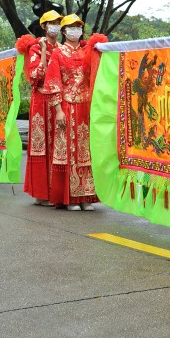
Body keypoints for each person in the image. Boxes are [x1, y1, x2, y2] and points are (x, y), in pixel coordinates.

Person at [42, 14, 106, 211]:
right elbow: (53, 82)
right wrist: (58, 110)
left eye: (78, 27)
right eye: (70, 27)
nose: (75, 30)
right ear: (64, 31)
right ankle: (70, 198)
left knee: (87, 151)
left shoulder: (89, 51)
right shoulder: (58, 54)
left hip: (87, 107)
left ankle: (87, 196)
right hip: (68, 107)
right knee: (70, 151)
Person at [16, 10, 63, 205]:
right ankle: (41, 192)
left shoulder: (61, 47)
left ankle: (57, 191)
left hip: (57, 101)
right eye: (52, 23)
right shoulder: (35, 48)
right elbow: (36, 76)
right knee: (41, 144)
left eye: (58, 23)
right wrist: (44, 52)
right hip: (41, 101)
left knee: (57, 145)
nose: (56, 27)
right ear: (44, 26)